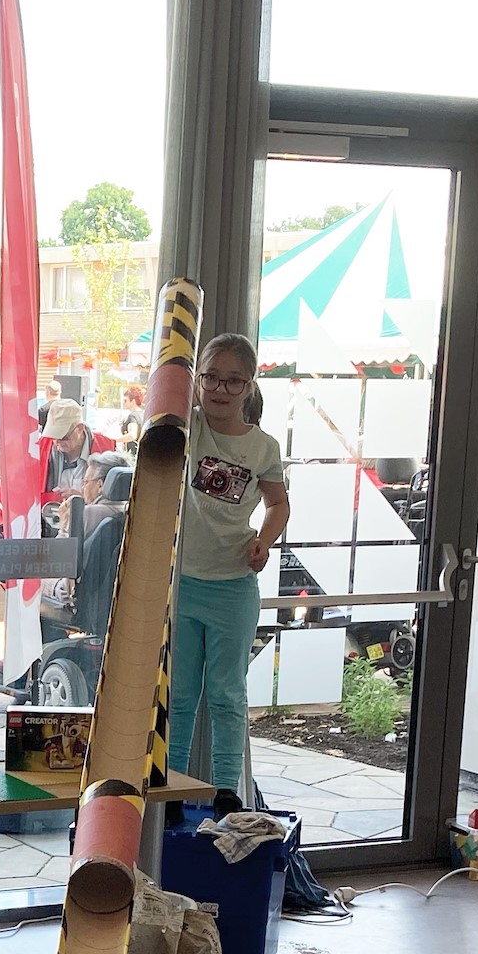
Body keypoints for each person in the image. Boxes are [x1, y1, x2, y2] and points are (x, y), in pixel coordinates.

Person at [169, 331, 290, 795]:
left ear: (250, 385)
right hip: (182, 584)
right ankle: (172, 792)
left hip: (234, 586)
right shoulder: (188, 427)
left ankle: (226, 794)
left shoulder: (263, 447)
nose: (220, 389)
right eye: (211, 378)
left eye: (234, 380)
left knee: (227, 695)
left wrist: (264, 541)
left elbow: (278, 504)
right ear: (198, 380)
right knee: (179, 696)